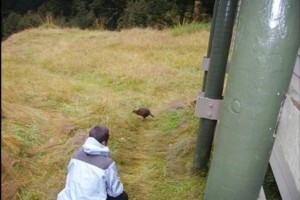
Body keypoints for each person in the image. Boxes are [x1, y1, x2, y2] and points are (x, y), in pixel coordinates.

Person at [57, 125, 128, 200]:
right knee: (123, 196)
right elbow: (116, 192)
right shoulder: (107, 164)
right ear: (103, 143)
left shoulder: (75, 156)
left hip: (69, 197)